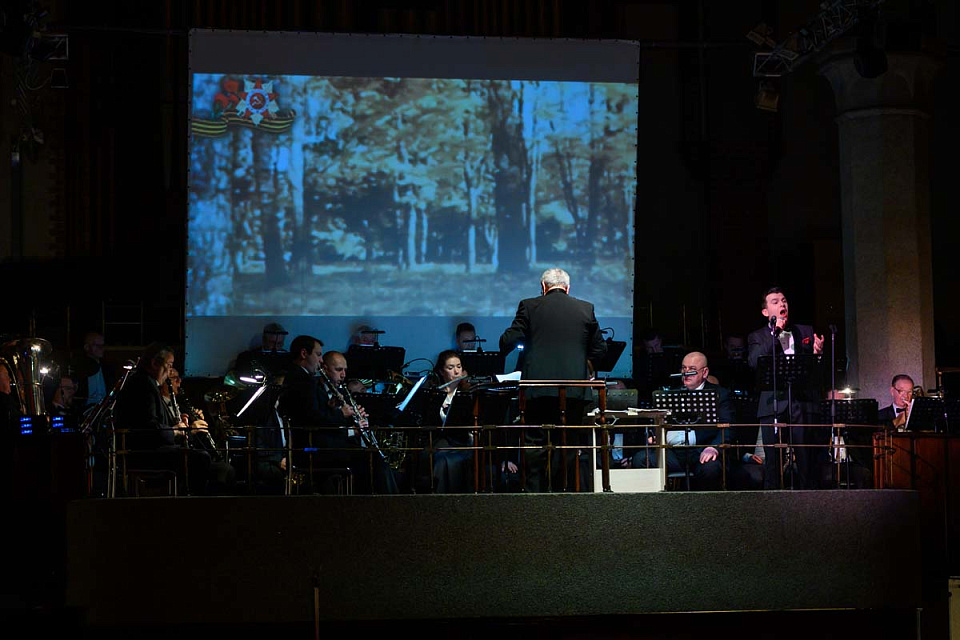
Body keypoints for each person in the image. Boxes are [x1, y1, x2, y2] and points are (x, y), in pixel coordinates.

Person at [499, 268, 607, 492]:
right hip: (574, 392)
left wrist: (505, 343)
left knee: (534, 446)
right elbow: (600, 349)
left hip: (536, 390)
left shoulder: (529, 306)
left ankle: (534, 500)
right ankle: (562, 498)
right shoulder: (586, 308)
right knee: (566, 446)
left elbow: (510, 339)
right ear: (567, 288)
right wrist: (583, 363)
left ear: (543, 287)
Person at [278, 337, 396, 494]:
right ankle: (386, 506)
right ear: (304, 353)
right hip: (315, 448)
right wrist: (341, 413)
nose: (320, 360)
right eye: (318, 354)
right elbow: (313, 419)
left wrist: (331, 407)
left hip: (318, 444)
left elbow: (312, 412)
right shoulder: (303, 380)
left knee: (371, 457)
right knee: (372, 459)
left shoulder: (300, 378)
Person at [747, 287, 824, 489]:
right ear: (765, 312)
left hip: (801, 402)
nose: (782, 304)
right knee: (773, 462)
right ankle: (773, 508)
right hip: (773, 403)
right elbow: (754, 362)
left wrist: (817, 354)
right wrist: (776, 333)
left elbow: (813, 371)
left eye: (784, 300)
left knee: (806, 461)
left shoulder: (804, 331)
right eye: (775, 301)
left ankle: (810, 507)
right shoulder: (758, 336)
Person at [113, 344, 213, 495]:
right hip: (143, 452)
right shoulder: (143, 385)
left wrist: (179, 423)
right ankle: (192, 505)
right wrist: (176, 431)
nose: (169, 372)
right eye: (169, 365)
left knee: (199, 456)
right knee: (200, 458)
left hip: (147, 448)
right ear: (154, 363)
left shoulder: (145, 383)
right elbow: (149, 428)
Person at [634, 351, 732, 490]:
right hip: (673, 452)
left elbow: (728, 427)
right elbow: (659, 423)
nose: (686, 373)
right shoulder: (671, 394)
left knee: (711, 468)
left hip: (701, 450)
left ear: (704, 373)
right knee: (641, 459)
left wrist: (713, 448)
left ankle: (704, 509)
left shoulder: (719, 394)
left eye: (692, 370)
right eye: (683, 368)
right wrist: (656, 436)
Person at [72, 332, 114, 408]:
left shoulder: (107, 368)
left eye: (102, 345)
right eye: (97, 345)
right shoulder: (79, 367)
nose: (101, 348)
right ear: (86, 347)